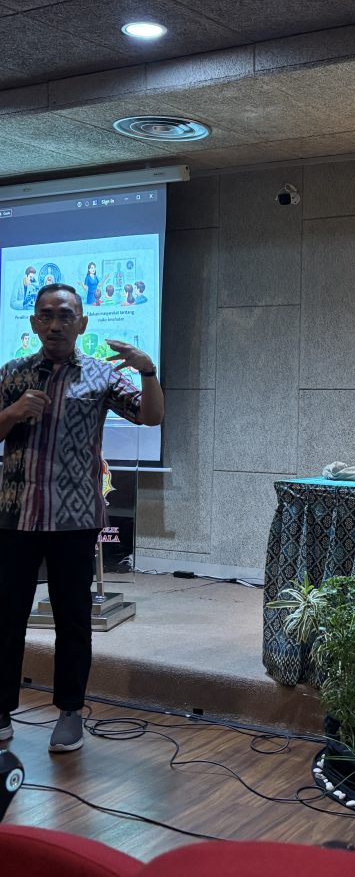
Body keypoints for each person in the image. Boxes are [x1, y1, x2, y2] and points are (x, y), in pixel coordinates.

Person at [0, 283, 164, 753]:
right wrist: (12, 411)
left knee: (73, 619)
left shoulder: (99, 376)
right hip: (14, 517)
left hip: (74, 518)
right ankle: (1, 712)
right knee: (6, 617)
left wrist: (147, 370)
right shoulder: (12, 373)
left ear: (82, 323)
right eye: (46, 315)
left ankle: (70, 712)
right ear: (33, 323)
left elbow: (149, 417)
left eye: (65, 315)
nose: (55, 324)